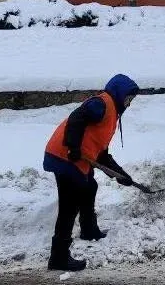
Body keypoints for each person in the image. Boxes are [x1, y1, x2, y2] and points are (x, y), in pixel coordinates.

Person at [43, 74, 140, 271]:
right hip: (66, 156)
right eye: (128, 98)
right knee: (69, 205)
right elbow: (76, 118)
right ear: (119, 93)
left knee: (89, 186)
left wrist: (121, 175)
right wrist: (73, 146)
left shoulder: (112, 114)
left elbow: (101, 155)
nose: (129, 103)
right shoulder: (102, 104)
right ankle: (58, 257)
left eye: (131, 100)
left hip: (72, 157)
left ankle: (89, 229)